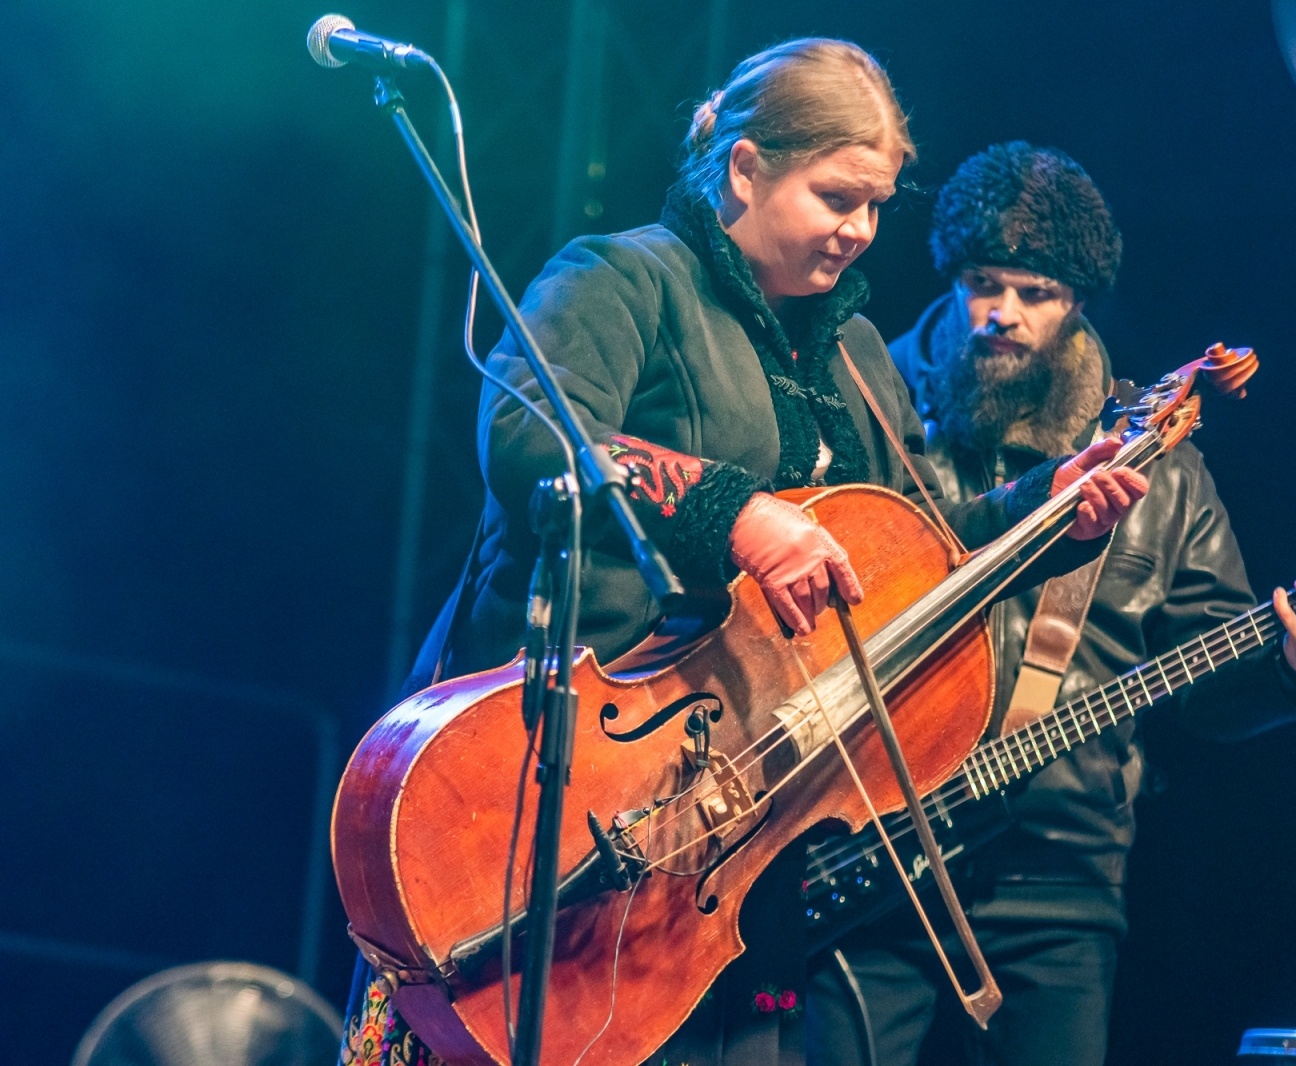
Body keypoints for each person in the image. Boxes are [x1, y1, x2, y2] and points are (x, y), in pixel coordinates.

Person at [339, 53, 1148, 1066]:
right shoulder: (621, 278)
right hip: (564, 800)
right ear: (746, 169)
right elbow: (531, 435)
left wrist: (1049, 513)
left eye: (876, 206)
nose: (858, 229)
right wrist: (737, 514)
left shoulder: (852, 355)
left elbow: (910, 565)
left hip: (733, 849)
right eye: (836, 196)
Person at [805, 142, 1296, 1066]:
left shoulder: (1162, 463)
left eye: (1038, 294)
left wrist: (1293, 665)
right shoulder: (864, 408)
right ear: (951, 278)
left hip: (1055, 882)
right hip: (860, 850)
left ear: (1076, 307)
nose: (1003, 314)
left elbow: (1207, 682)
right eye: (984, 283)